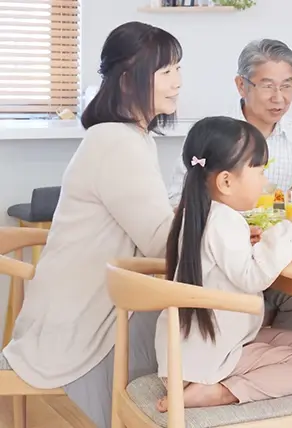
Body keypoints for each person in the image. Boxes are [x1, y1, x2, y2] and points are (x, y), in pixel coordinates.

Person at [3, 22, 182, 428]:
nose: (177, 82)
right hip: (82, 321)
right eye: (166, 71)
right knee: (203, 315)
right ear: (127, 79)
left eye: (177, 69)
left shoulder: (125, 138)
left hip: (75, 307)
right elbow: (160, 244)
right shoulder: (118, 143)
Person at [155, 116, 292, 411]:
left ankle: (213, 385)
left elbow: (219, 258)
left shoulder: (196, 213)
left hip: (183, 357)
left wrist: (246, 240)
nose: (265, 181)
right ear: (226, 181)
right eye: (259, 171)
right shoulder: (225, 219)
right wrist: (291, 229)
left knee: (289, 339)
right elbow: (253, 276)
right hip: (206, 363)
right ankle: (219, 392)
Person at [167, 38, 292, 341]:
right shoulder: (216, 136)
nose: (279, 98)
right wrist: (237, 229)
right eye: (268, 86)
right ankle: (265, 358)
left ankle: (279, 356)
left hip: (278, 255)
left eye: (287, 86)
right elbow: (178, 202)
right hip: (229, 267)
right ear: (241, 85)